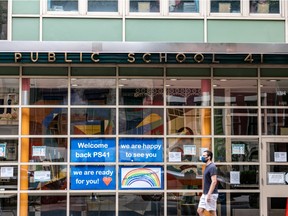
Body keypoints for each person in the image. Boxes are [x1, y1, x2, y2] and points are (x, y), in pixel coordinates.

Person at [197, 150, 218, 216]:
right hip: (205, 193)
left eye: (204, 156)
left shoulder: (212, 167)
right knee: (199, 210)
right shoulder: (207, 166)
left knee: (212, 212)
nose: (202, 157)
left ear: (209, 157)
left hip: (211, 194)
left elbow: (214, 181)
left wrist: (209, 194)